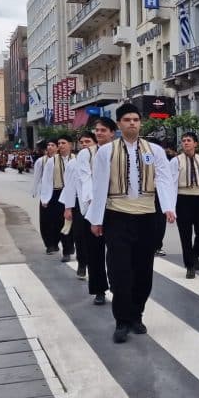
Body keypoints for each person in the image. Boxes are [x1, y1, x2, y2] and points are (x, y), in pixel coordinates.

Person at [87, 103, 178, 343]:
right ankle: (121, 320)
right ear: (119, 124)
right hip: (117, 215)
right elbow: (99, 187)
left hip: (147, 216)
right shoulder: (106, 152)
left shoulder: (155, 150)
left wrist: (168, 207)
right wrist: (96, 219)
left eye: (136, 119)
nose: (132, 123)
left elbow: (164, 179)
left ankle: (137, 314)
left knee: (143, 269)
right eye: (127, 119)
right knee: (119, 270)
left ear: (141, 122)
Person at [75, 119, 115, 305]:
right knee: (95, 251)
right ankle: (99, 289)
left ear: (112, 133)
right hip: (92, 207)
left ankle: (117, 284)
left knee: (116, 251)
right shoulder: (86, 154)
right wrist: (94, 202)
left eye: (103, 130)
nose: (99, 133)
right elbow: (85, 178)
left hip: (116, 207)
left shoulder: (119, 151)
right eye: (97, 130)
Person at [169, 131, 199, 278]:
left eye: (189, 140)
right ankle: (190, 266)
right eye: (184, 140)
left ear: (195, 144)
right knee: (185, 235)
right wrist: (171, 207)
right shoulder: (176, 161)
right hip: (182, 199)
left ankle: (195, 254)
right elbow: (171, 184)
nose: (186, 143)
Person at [60, 132, 95, 280]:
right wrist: (68, 208)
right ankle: (82, 263)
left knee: (96, 239)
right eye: (82, 142)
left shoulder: (101, 158)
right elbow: (69, 186)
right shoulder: (73, 163)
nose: (85, 144)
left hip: (97, 204)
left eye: (88, 141)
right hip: (79, 205)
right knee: (80, 236)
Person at [38, 137, 75, 261]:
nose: (61, 145)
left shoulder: (76, 159)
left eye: (63, 143)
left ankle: (70, 247)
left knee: (73, 223)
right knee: (61, 222)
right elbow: (47, 181)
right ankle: (66, 251)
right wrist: (45, 198)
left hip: (73, 193)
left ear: (70, 145)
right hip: (57, 193)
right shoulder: (52, 160)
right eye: (59, 143)